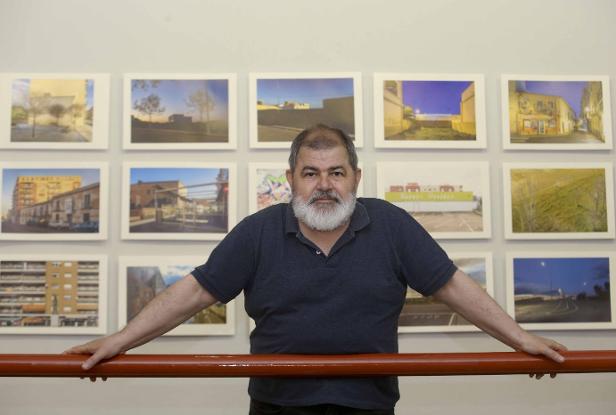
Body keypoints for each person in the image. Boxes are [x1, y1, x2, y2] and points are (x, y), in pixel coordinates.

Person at [66, 124, 567, 414]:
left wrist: (519, 338)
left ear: (356, 177)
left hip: (369, 407)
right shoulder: (258, 231)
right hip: (277, 407)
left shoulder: (392, 225)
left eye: (335, 172)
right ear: (291, 179)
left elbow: (453, 286)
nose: (324, 185)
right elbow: (195, 291)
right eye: (311, 173)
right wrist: (120, 341)